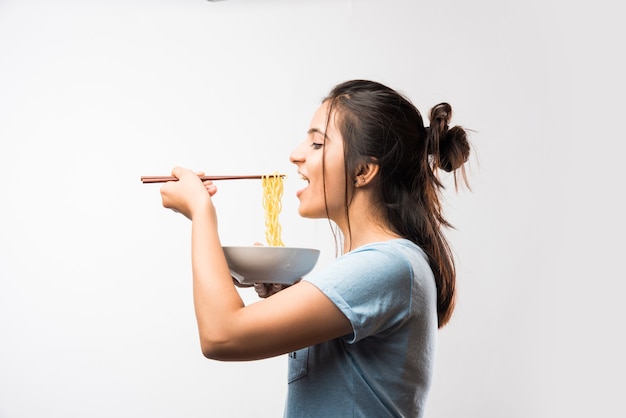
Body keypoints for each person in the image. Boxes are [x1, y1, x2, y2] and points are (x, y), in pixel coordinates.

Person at [159, 79, 470, 417]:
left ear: (363, 171)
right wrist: (288, 298)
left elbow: (222, 335)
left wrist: (201, 212)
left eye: (318, 143)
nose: (295, 155)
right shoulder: (384, 264)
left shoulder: (389, 265)